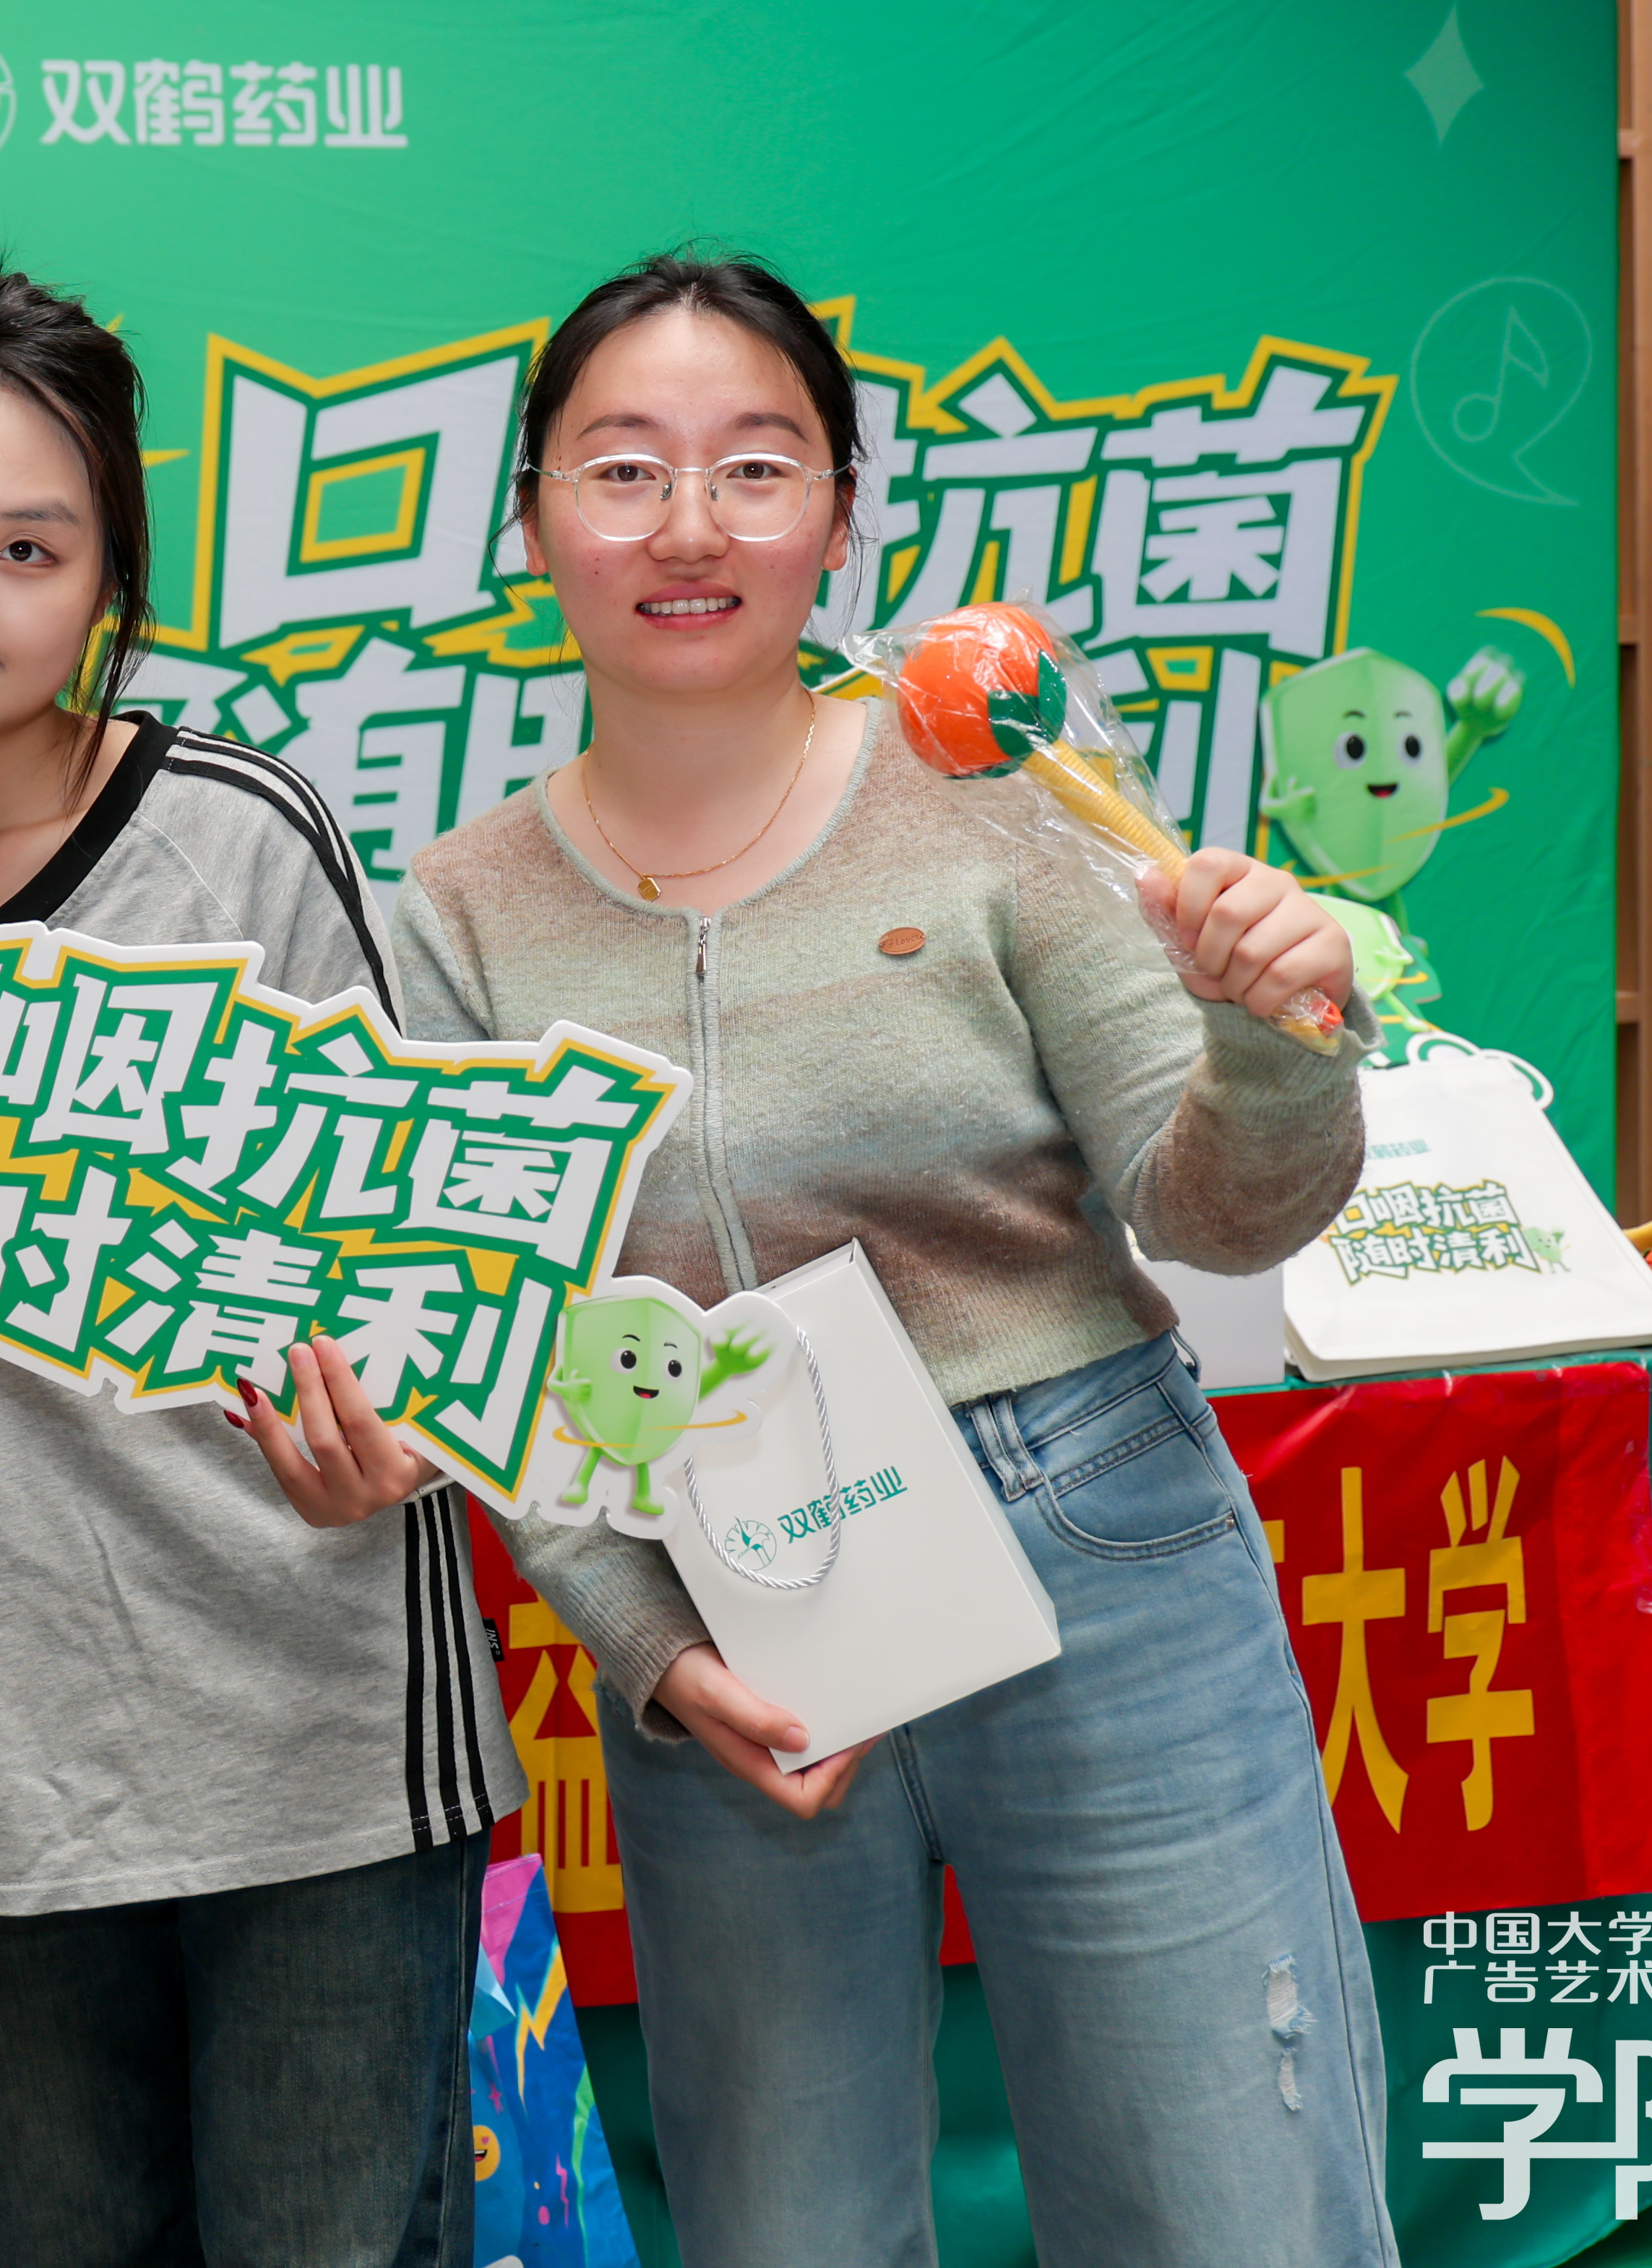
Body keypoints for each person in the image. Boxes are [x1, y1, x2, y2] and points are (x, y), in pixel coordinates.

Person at [257, 250, 1390, 2266]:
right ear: (532, 520)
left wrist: (1275, 1046)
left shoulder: (994, 799)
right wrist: (649, 1644)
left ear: (844, 513)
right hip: (736, 1586)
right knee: (789, 2224)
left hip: (1092, 1529)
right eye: (625, 469)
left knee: (1224, 2200)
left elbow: (1212, 1209)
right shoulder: (455, 916)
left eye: (758, 467)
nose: (690, 526)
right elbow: (502, 1352)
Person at [0, 264, 516, 2268]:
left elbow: (436, 1259)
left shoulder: (244, 844)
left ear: (110, 587)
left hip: (316, 1749)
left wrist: (400, 1426)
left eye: (26, 550)